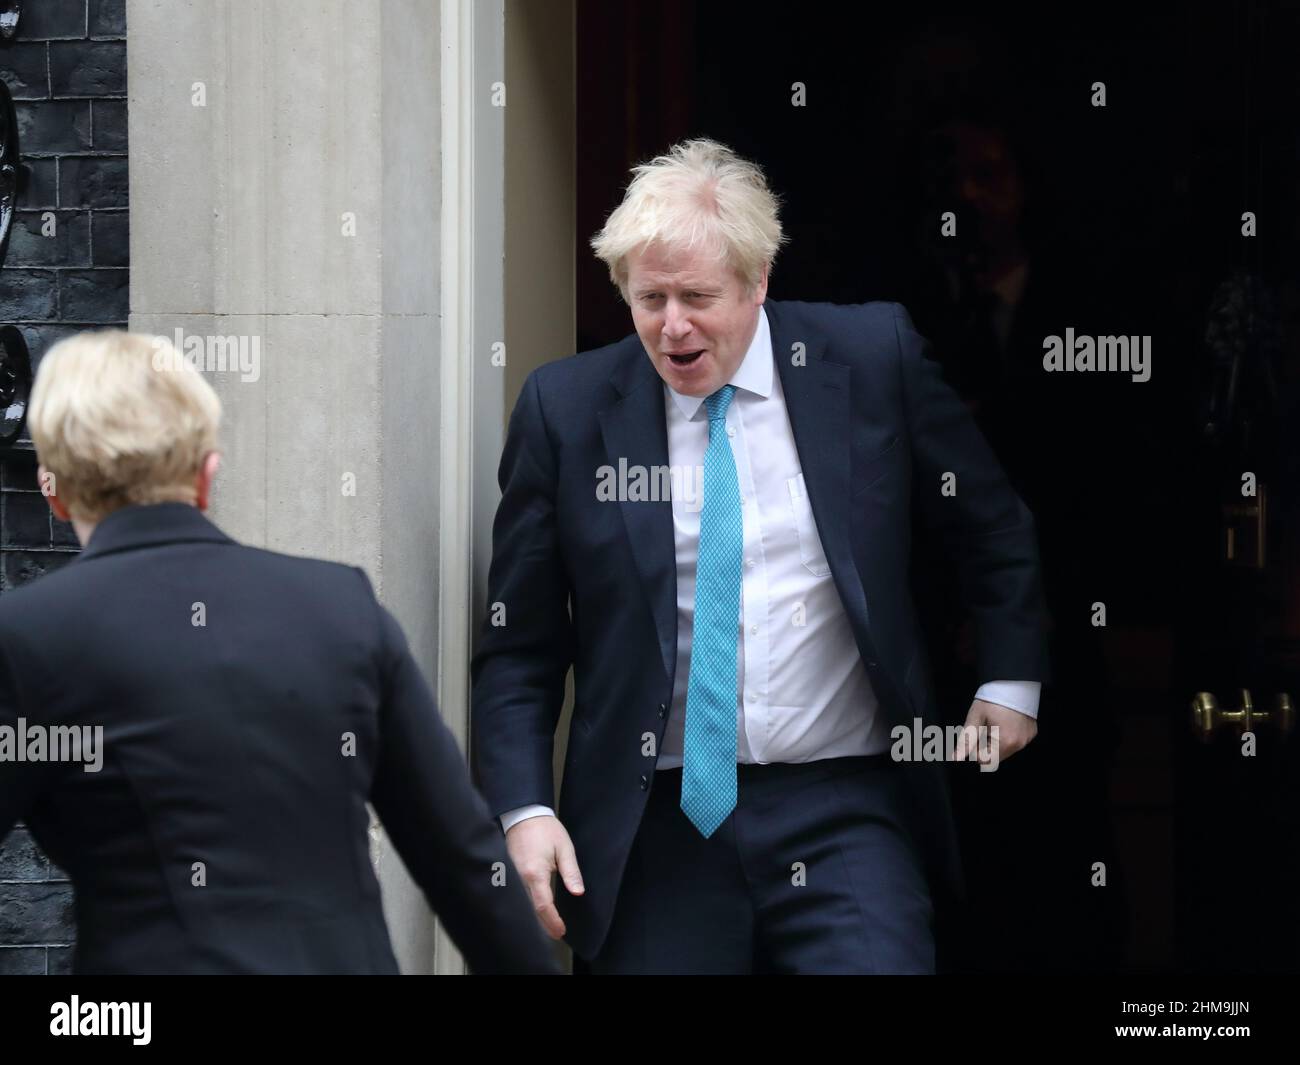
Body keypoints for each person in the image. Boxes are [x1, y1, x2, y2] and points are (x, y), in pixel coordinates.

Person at [471, 138, 1051, 974]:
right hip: (657, 821)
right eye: (649, 298)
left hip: (844, 802)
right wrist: (523, 808)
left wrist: (1008, 677)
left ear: (759, 281)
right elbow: (519, 645)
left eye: (698, 296)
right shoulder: (565, 411)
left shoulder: (870, 357)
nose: (672, 326)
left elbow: (990, 520)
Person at [0, 331, 560, 975]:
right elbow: (463, 858)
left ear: (56, 493)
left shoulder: (28, 635)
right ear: (207, 476)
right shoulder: (340, 604)